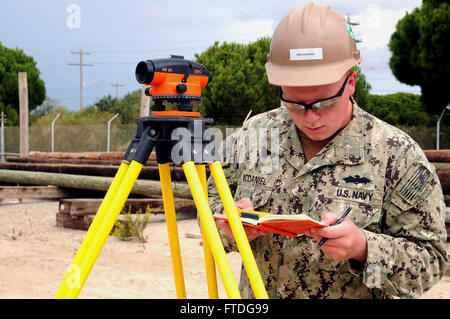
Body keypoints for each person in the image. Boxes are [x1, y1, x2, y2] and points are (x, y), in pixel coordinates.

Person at [207, 2, 449, 299]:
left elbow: (432, 261)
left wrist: (363, 248)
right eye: (295, 103)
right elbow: (210, 207)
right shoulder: (253, 137)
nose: (310, 116)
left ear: (350, 82)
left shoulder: (397, 156)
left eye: (323, 103)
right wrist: (228, 229)